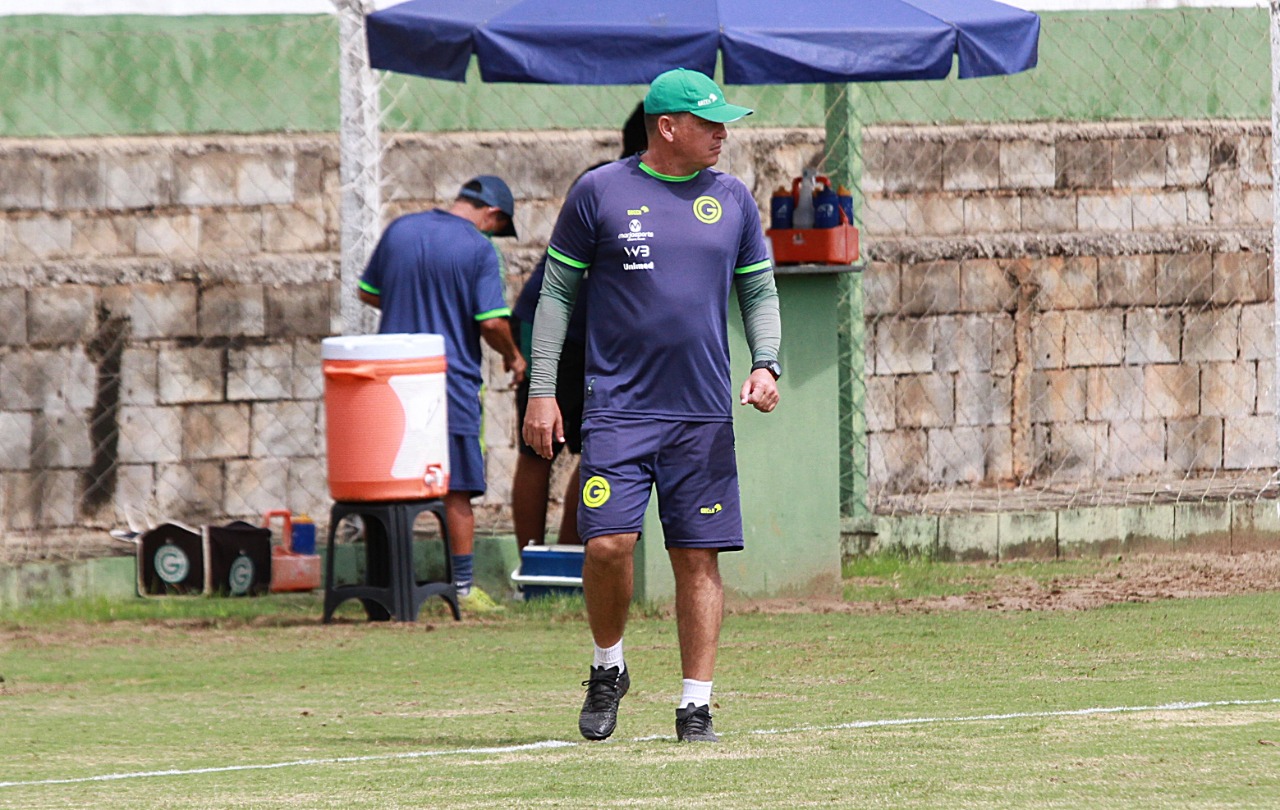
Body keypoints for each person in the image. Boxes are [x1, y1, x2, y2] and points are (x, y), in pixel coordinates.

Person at [522, 69, 782, 743]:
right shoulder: (599, 193)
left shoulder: (733, 200)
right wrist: (542, 391)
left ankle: (696, 705)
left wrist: (765, 362)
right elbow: (555, 299)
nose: (723, 133)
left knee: (698, 559)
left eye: (725, 122)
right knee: (608, 544)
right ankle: (609, 665)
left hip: (701, 414)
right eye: (709, 123)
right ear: (666, 127)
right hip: (617, 411)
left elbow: (758, 291)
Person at [359, 175, 527, 614]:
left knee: (394, 485)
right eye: (497, 226)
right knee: (457, 490)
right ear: (492, 214)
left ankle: (391, 587)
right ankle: (464, 589)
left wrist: (410, 303)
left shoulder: (400, 230)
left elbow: (367, 290)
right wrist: (514, 357)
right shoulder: (479, 248)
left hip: (393, 381)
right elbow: (491, 322)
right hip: (448, 385)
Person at [510, 102, 648, 550]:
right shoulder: (620, 188)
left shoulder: (599, 180)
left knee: (587, 454)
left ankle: (565, 564)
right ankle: (538, 567)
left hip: (574, 333)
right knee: (546, 449)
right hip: (562, 333)